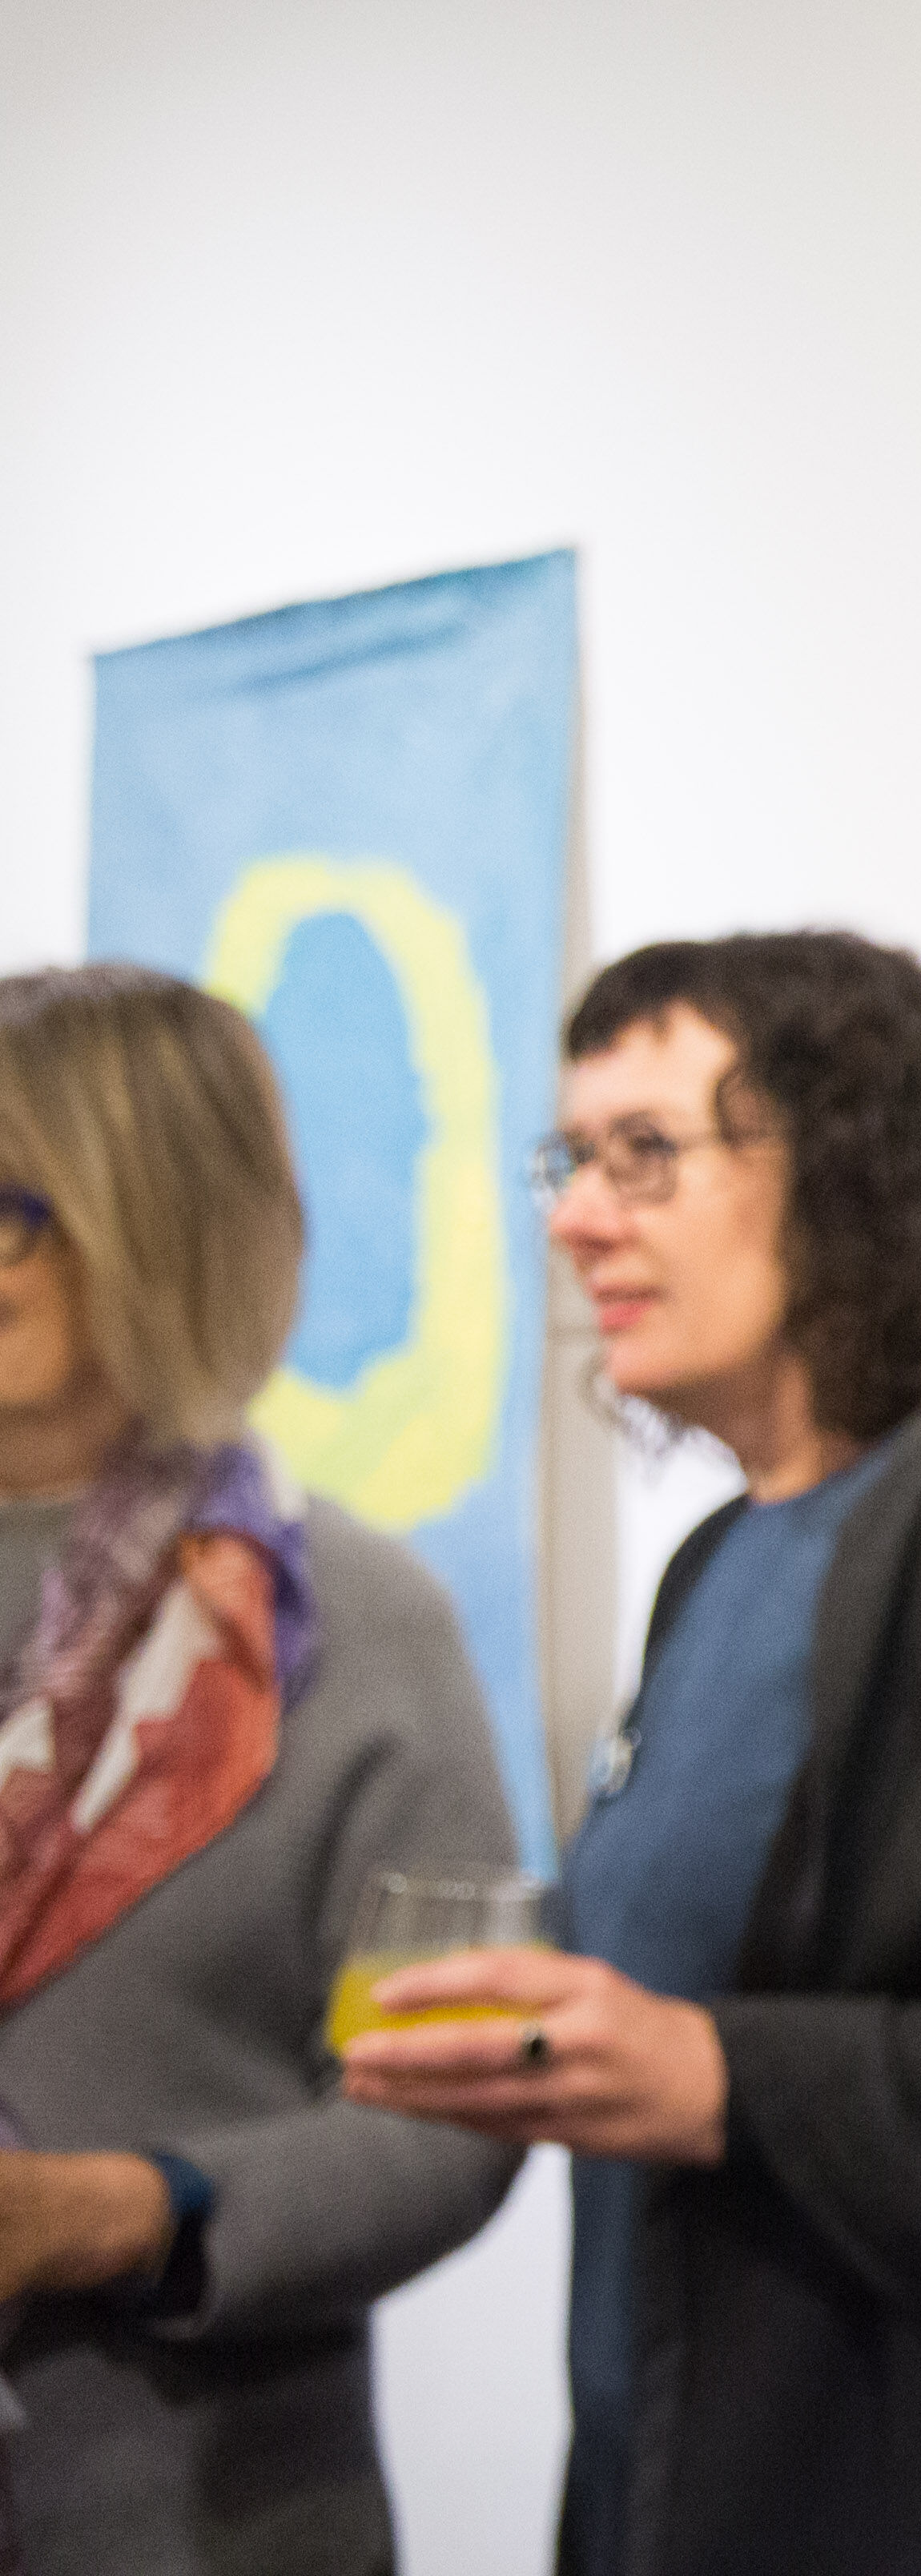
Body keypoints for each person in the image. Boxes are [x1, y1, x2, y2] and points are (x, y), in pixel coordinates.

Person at [342, 932, 921, 2576]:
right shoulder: (725, 1565)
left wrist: (724, 2078)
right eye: (569, 1161)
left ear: (857, 1170)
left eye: (647, 1154)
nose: (578, 1217)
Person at [0, 964, 521, 2574]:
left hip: (187, 2515)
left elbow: (457, 2105)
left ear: (152, 1220)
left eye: (15, 1204)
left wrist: (118, 2210)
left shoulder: (346, 1624)